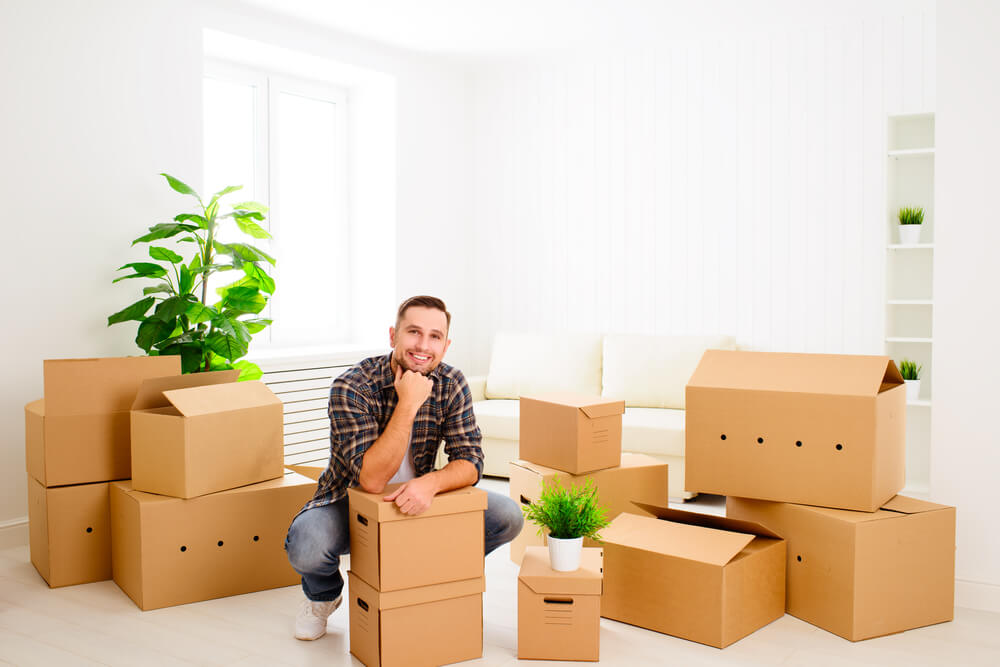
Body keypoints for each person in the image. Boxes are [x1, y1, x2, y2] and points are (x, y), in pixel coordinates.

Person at [284, 295, 524, 640]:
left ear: (446, 345)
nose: (423, 345)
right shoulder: (352, 386)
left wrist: (430, 484)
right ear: (393, 335)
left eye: (434, 336)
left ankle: (429, 576)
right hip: (350, 504)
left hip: (420, 500)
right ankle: (323, 597)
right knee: (306, 544)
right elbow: (371, 480)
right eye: (414, 332)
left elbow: (471, 461)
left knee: (507, 516)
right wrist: (408, 404)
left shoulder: (451, 382)